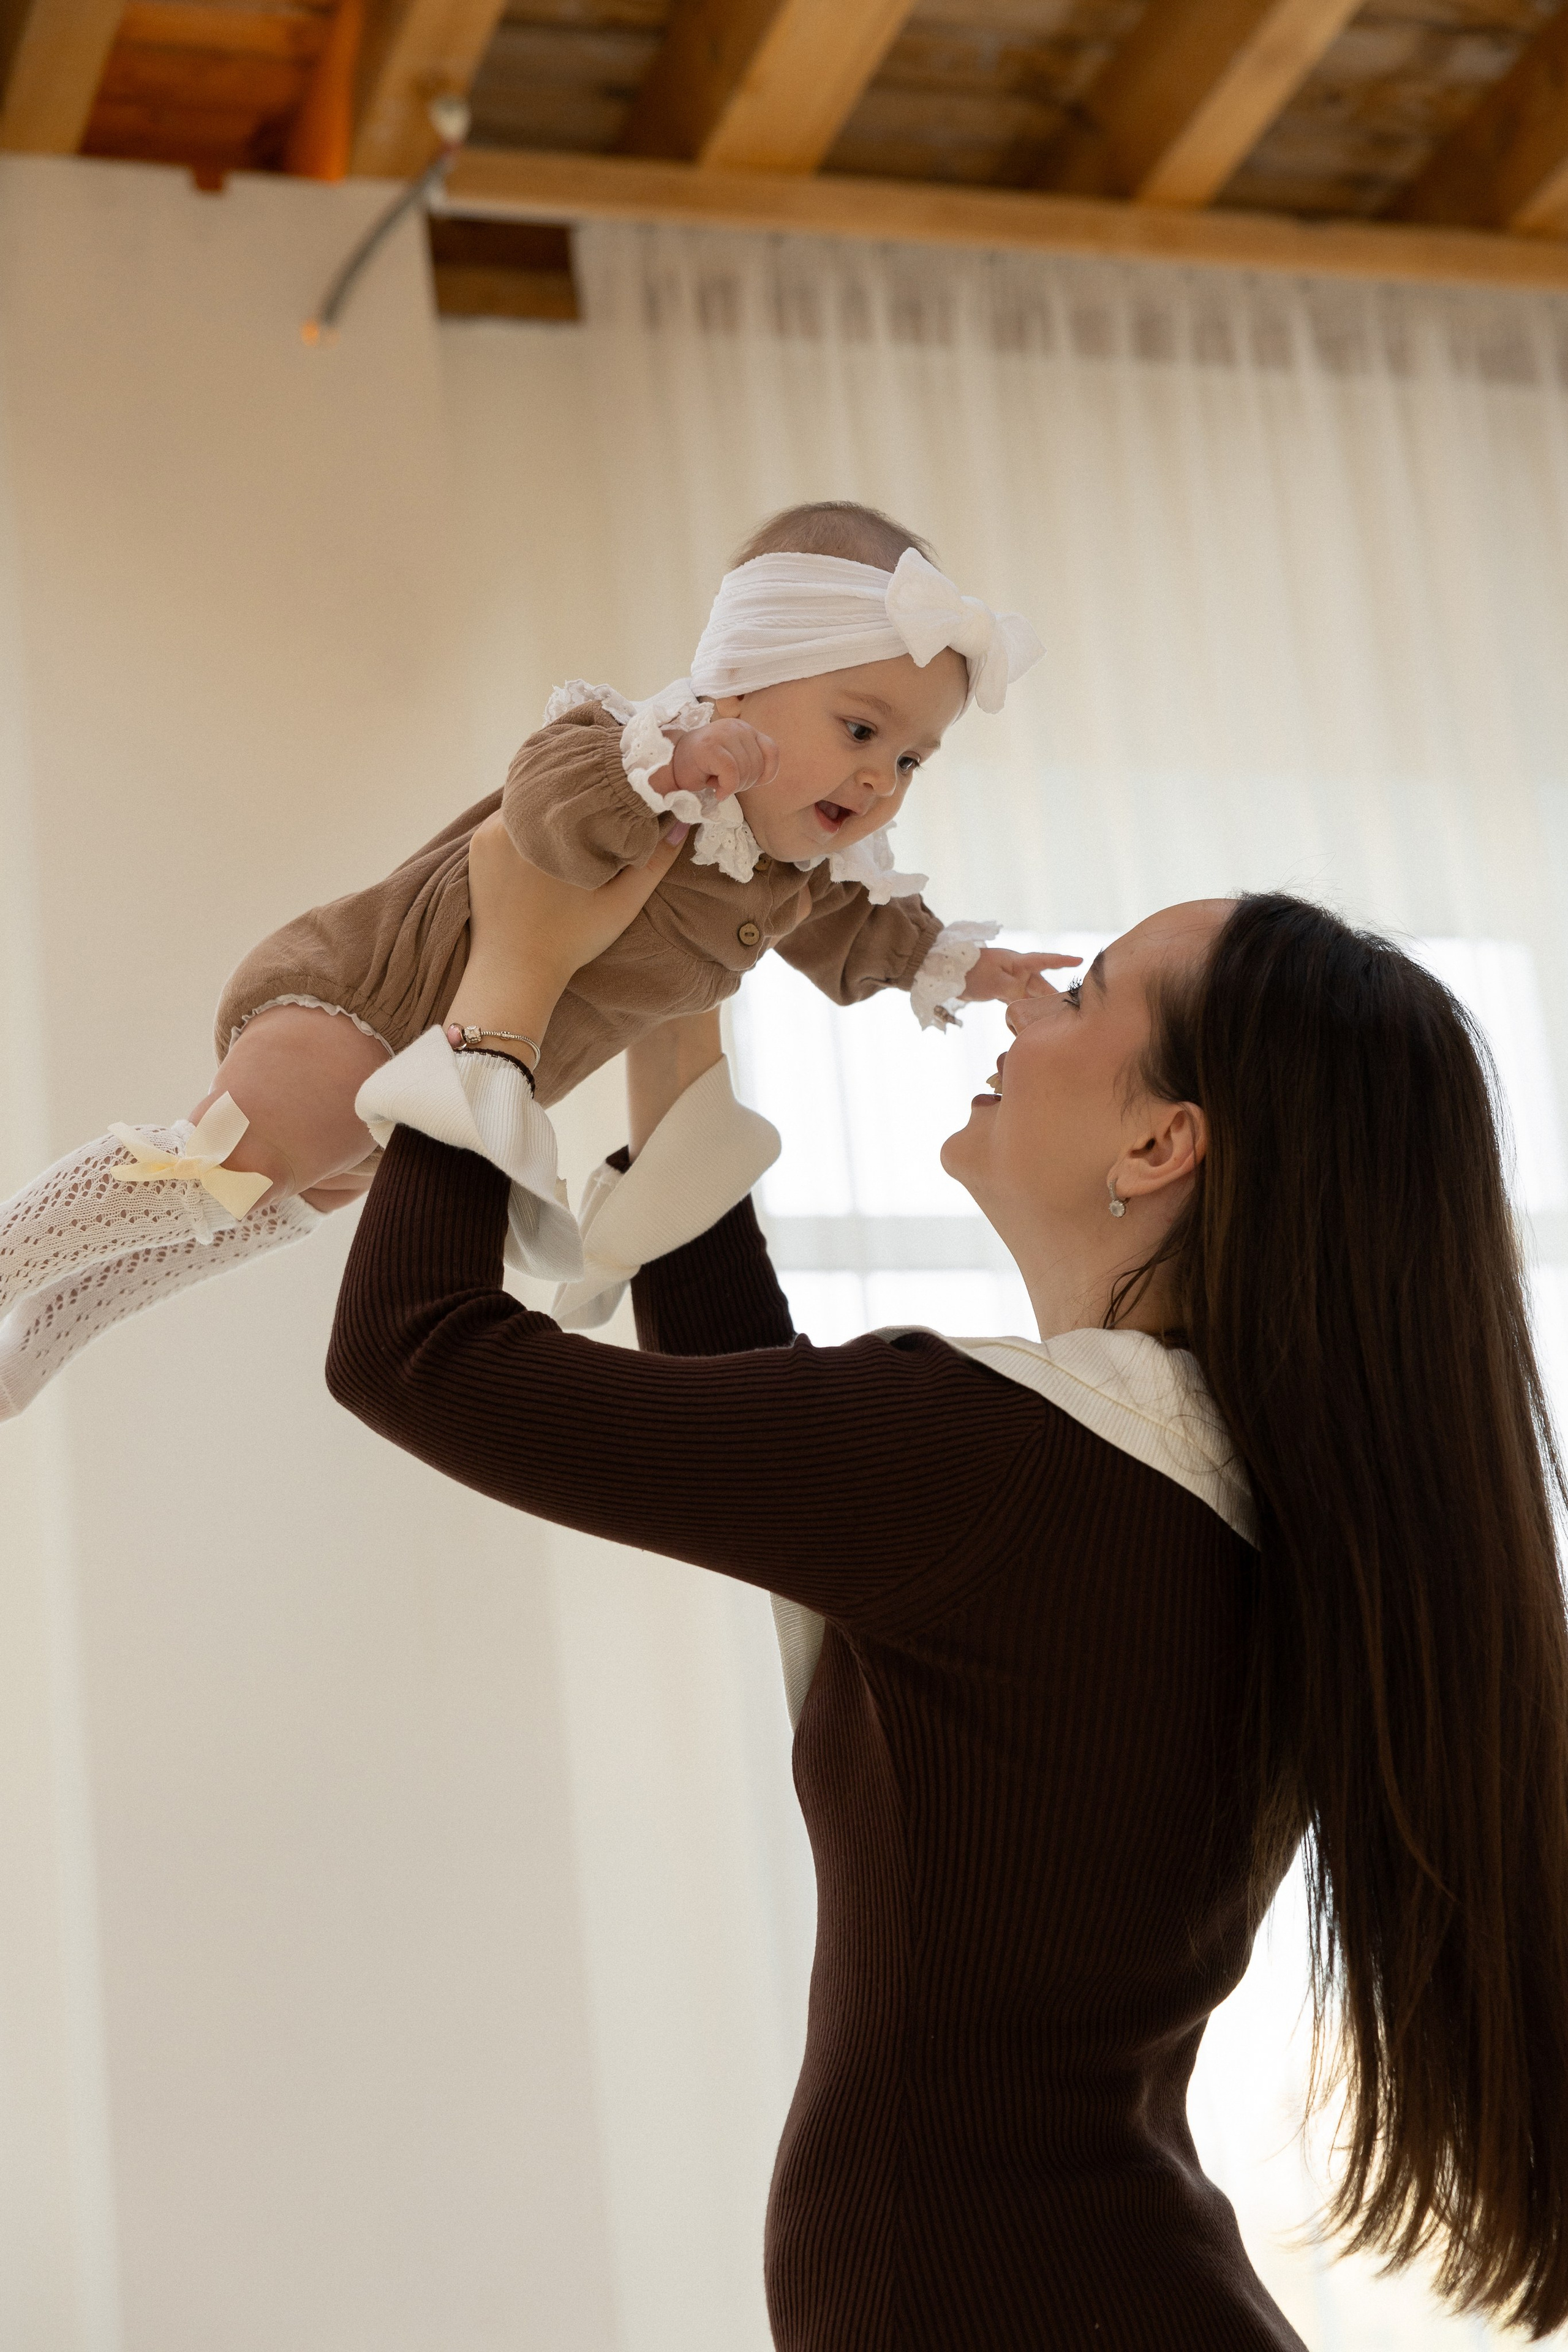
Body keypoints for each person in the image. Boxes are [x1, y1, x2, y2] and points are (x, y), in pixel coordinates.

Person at [326, 825, 1568, 2350]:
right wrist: (675, 984)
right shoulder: (1200, 1488)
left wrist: (507, 989)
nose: (1016, 1005)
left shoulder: (1009, 1466)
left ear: (1160, 1144)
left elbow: (414, 1351)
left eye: (1083, 991)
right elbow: (760, 1411)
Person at [0, 502, 1069, 1417]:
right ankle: (15, 1256)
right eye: (859, 729)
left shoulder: (795, 873)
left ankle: (48, 1332)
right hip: (368, 1009)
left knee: (241, 1218)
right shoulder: (633, 745)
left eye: (911, 760)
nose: (881, 778)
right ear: (742, 678)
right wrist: (672, 771)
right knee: (210, 1166)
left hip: (436, 1097)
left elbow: (869, 938)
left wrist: (975, 972)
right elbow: (547, 819)